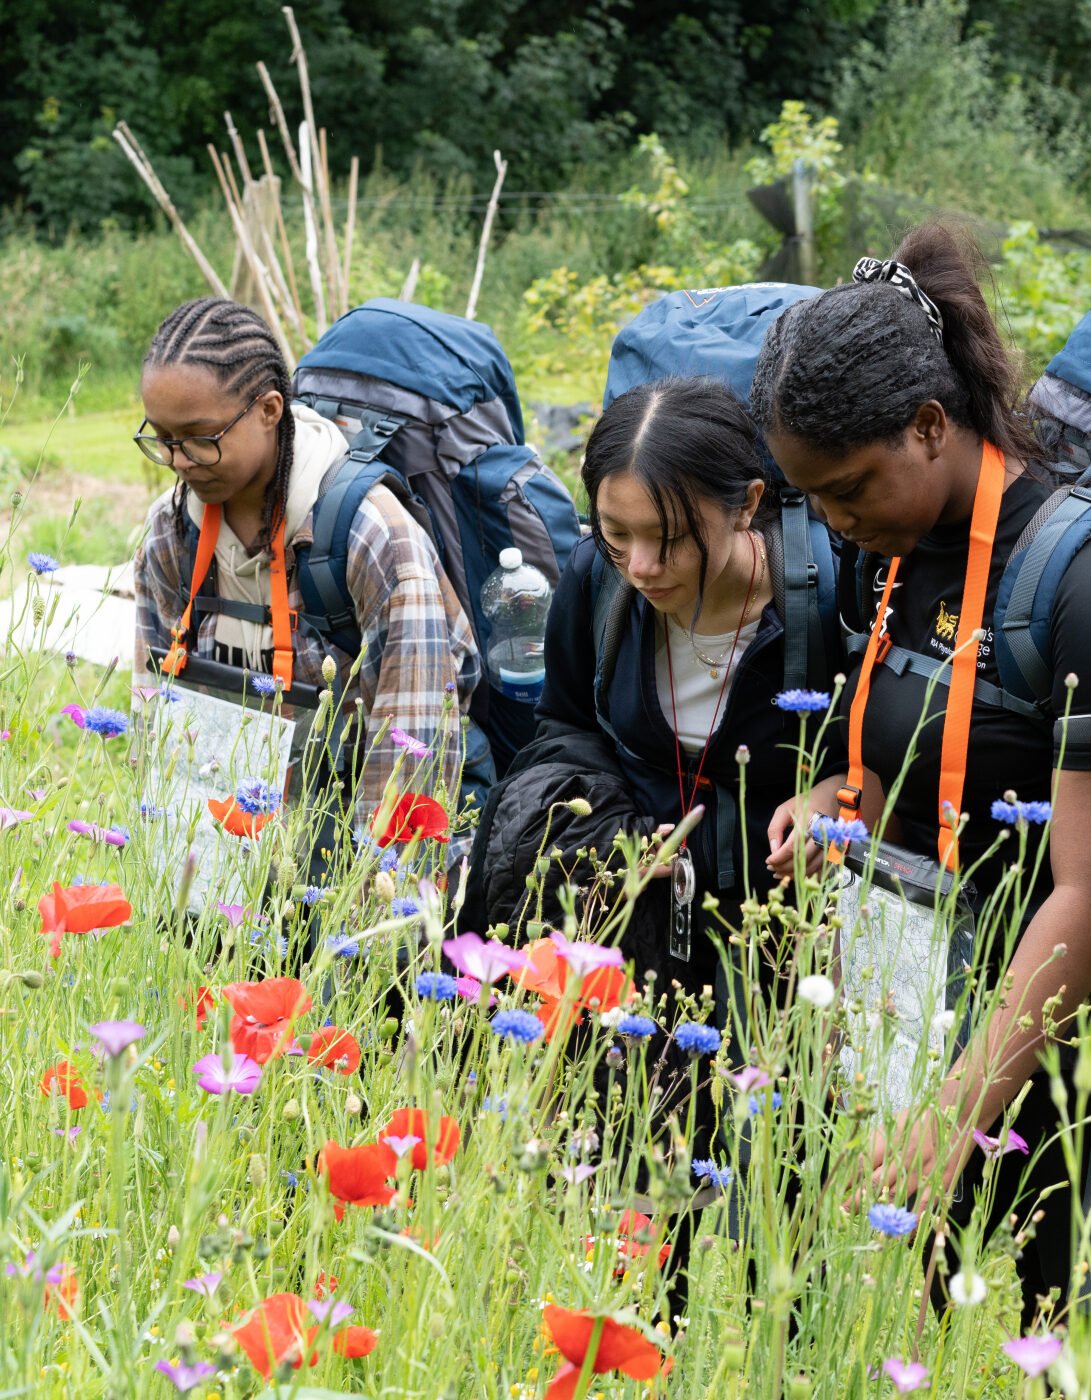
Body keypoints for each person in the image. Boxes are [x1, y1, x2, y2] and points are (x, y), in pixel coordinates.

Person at [752, 223, 1091, 1323]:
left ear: (929, 424)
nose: (834, 524)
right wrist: (834, 801)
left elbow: (1083, 894)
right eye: (813, 500)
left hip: (1038, 1077)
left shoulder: (1066, 576)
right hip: (913, 1032)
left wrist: (953, 1114)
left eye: (847, 489)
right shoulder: (885, 552)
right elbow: (913, 749)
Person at [470, 374, 842, 1025]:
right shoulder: (597, 578)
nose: (640, 566)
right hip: (628, 917)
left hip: (780, 935)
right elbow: (563, 722)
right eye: (617, 532)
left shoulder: (825, 598)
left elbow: (884, 753)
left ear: (746, 504)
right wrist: (612, 834)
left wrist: (833, 796)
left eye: (668, 538)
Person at [132, 297, 480, 837]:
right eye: (161, 438)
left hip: (351, 845)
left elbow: (409, 769)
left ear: (270, 410)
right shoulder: (170, 531)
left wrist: (362, 910)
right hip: (225, 839)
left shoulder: (374, 538)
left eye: (201, 439)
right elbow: (153, 717)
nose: (178, 462)